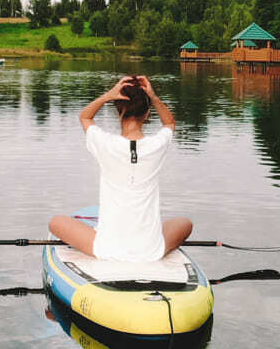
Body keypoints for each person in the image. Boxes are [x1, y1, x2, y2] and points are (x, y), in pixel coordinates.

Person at [48, 75, 192, 260]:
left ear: (118, 112)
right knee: (185, 223)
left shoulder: (104, 143)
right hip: (150, 251)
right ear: (147, 114)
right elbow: (170, 123)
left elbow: (85, 117)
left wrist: (108, 95)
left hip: (107, 249)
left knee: (56, 222)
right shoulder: (157, 145)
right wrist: (154, 97)